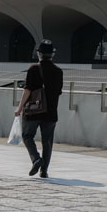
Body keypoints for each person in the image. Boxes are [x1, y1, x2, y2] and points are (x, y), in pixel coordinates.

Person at [20, 40, 64, 178]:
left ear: (39, 53)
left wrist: (19, 107)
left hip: (33, 111)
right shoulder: (58, 72)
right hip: (51, 112)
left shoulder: (33, 69)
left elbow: (27, 90)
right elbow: (58, 92)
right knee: (47, 141)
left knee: (27, 136)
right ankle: (44, 171)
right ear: (52, 54)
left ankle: (36, 159)